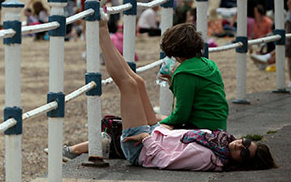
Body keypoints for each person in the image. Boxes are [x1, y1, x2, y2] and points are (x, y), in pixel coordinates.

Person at [96, 14, 276, 171]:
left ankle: (102, 29)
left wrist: (147, 137)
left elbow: (165, 159)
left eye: (244, 153)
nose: (240, 146)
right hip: (157, 135)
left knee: (128, 84)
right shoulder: (219, 141)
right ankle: (103, 30)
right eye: (246, 143)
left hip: (141, 149)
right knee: (138, 82)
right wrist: (158, 129)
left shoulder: (209, 157)